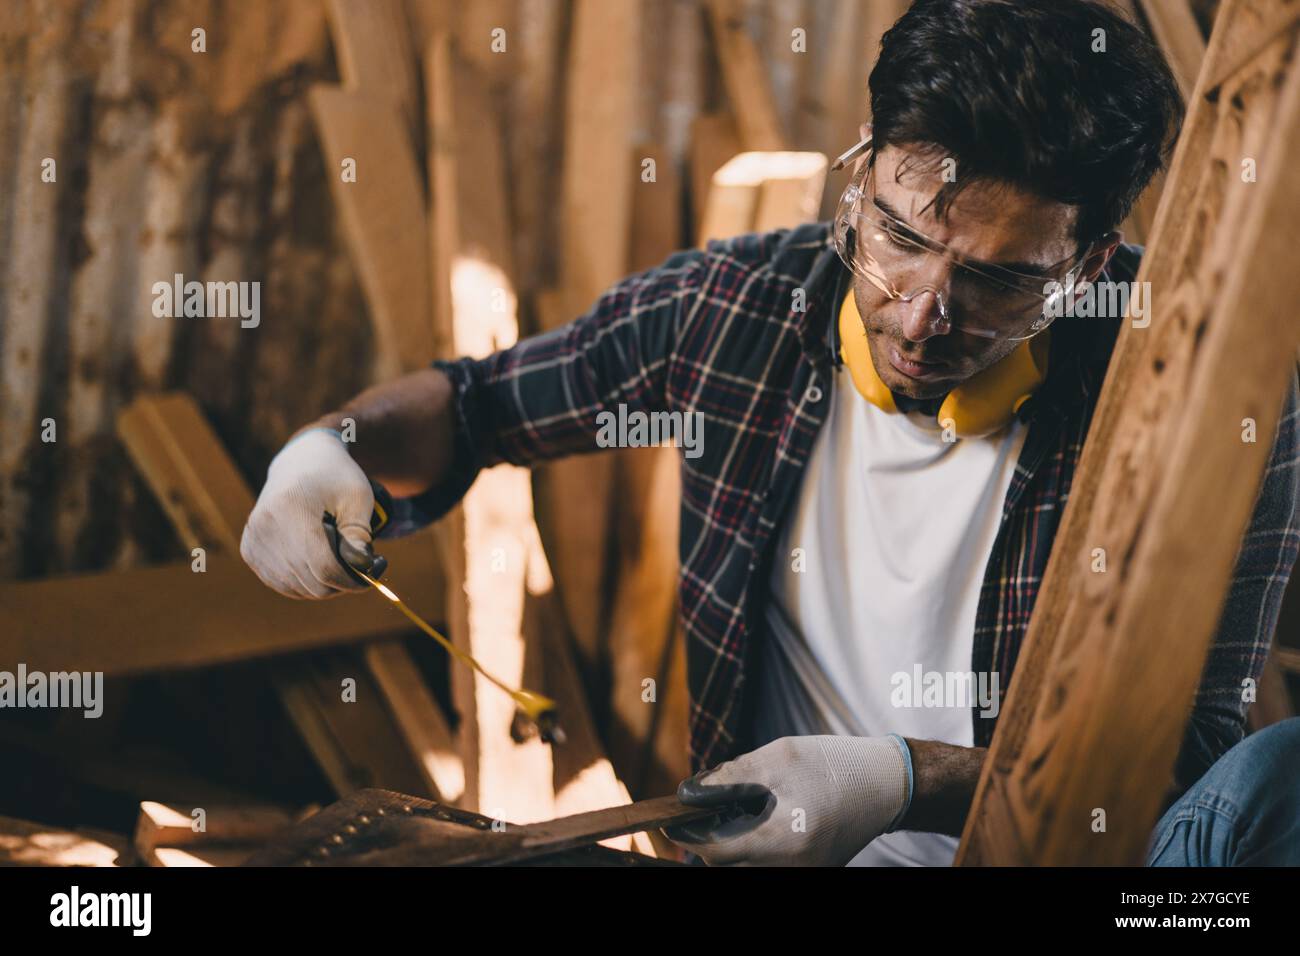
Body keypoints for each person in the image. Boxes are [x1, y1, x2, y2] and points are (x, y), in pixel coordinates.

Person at [240, 0, 1300, 865]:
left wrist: (900, 780)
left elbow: (1186, 770)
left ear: (1091, 262)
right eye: (899, 237)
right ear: (861, 170)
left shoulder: (1196, 405)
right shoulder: (732, 307)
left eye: (997, 280)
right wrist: (330, 447)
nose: (923, 315)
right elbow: (477, 406)